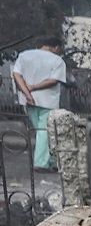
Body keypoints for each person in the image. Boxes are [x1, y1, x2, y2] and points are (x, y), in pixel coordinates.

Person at [10, 39, 67, 170]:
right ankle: (40, 163)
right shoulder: (57, 60)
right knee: (45, 132)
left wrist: (27, 92)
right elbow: (53, 80)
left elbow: (16, 74)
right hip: (48, 101)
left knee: (40, 131)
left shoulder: (24, 55)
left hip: (28, 100)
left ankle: (51, 160)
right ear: (56, 47)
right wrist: (34, 87)